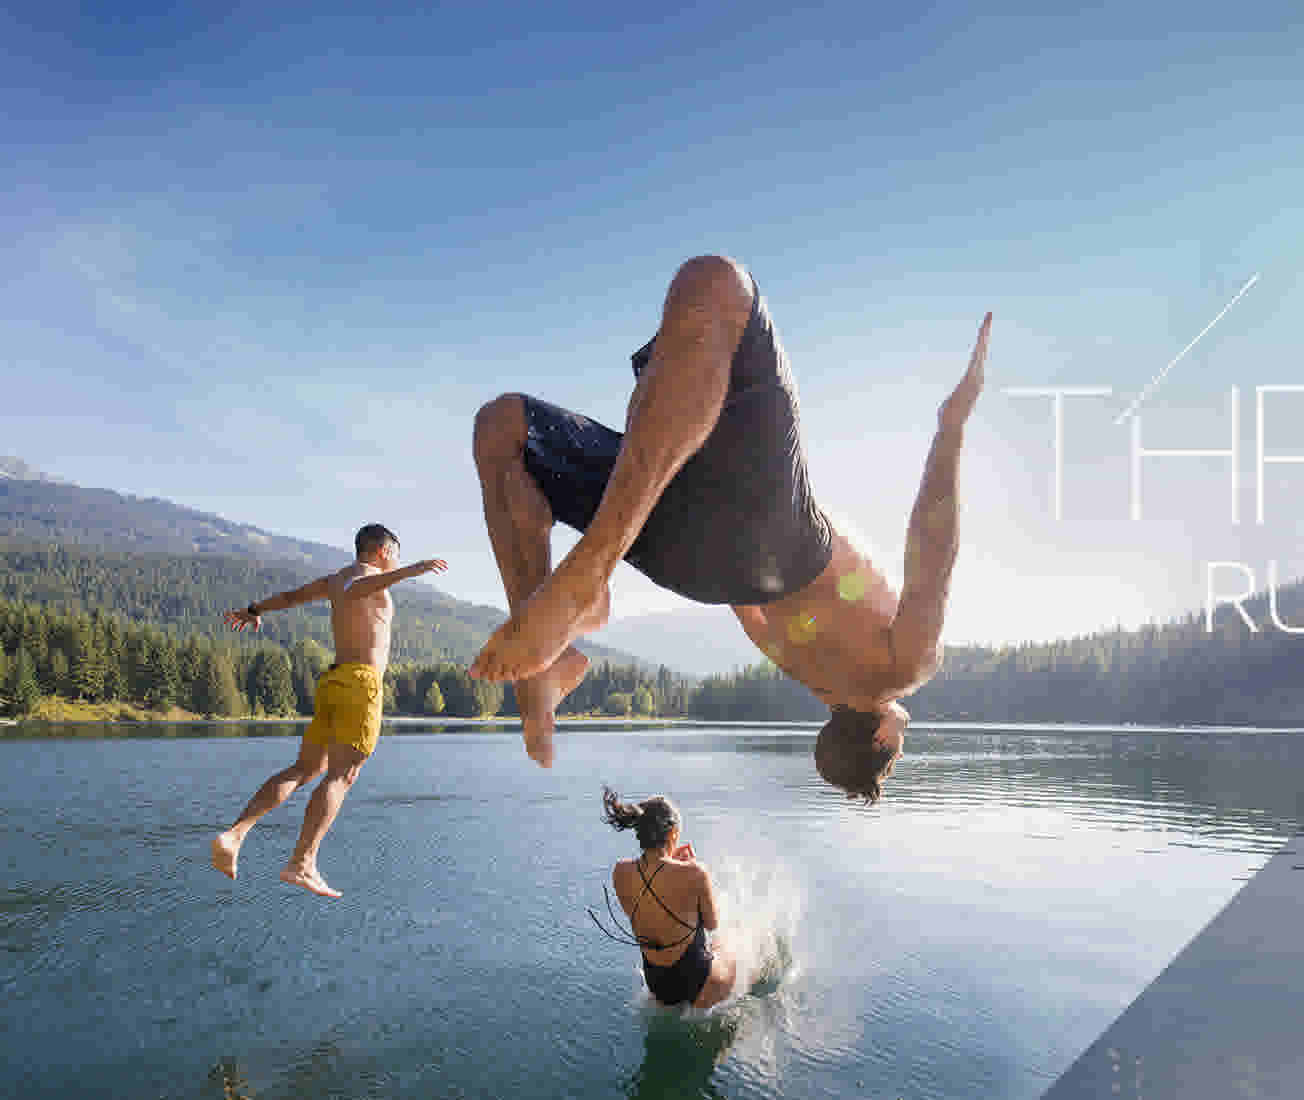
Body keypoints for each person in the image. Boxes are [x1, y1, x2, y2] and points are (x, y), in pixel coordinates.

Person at [467, 254, 987, 803]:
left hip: (776, 539)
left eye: (897, 747)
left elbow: (933, 553)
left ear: (880, 733)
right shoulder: (812, 673)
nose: (903, 736)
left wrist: (950, 428)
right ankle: (541, 672)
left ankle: (583, 578)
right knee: (505, 431)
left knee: (716, 285)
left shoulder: (907, 668)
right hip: (699, 567)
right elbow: (751, 619)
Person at [208, 524, 448, 898]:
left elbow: (292, 596)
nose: (397, 562)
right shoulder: (366, 582)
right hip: (361, 683)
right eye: (396, 556)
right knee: (344, 774)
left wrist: (255, 610)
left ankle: (235, 835)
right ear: (385, 551)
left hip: (333, 681)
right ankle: (301, 863)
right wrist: (410, 572)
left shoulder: (337, 580)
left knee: (306, 769)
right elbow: (359, 591)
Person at [595, 788, 740, 1010]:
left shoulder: (620, 871)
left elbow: (647, 911)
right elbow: (712, 924)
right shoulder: (695, 872)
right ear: (672, 833)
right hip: (699, 980)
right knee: (731, 942)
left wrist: (673, 864)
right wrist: (688, 868)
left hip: (658, 985)